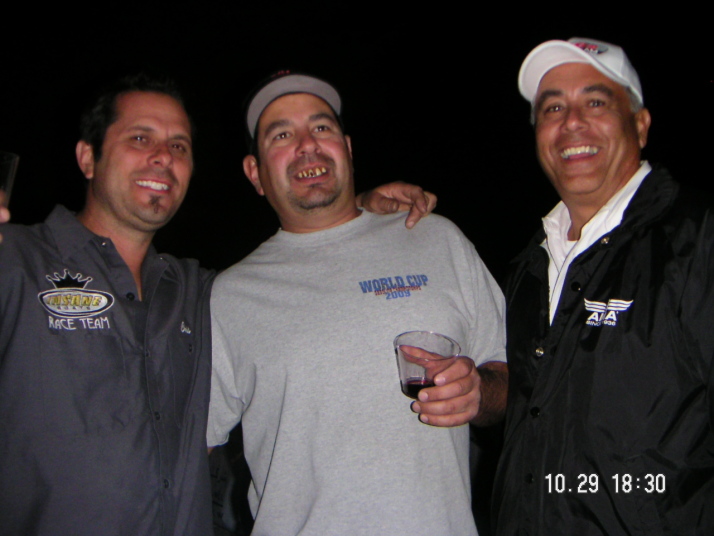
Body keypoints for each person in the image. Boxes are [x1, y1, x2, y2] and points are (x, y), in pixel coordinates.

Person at [0, 74, 435, 536]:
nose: (163, 156)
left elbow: (298, 277)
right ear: (88, 158)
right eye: (140, 138)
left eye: (179, 146)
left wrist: (353, 210)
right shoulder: (16, 261)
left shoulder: (202, 292)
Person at [208, 72, 508, 536]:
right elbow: (186, 448)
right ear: (255, 173)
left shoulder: (436, 238)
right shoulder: (229, 296)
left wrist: (478, 392)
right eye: (281, 135)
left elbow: (511, 380)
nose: (307, 145)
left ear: (347, 148)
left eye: (321, 127)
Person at [492, 38, 714, 535]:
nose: (572, 122)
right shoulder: (530, 267)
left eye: (595, 102)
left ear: (641, 124)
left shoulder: (698, 240)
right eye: (553, 108)